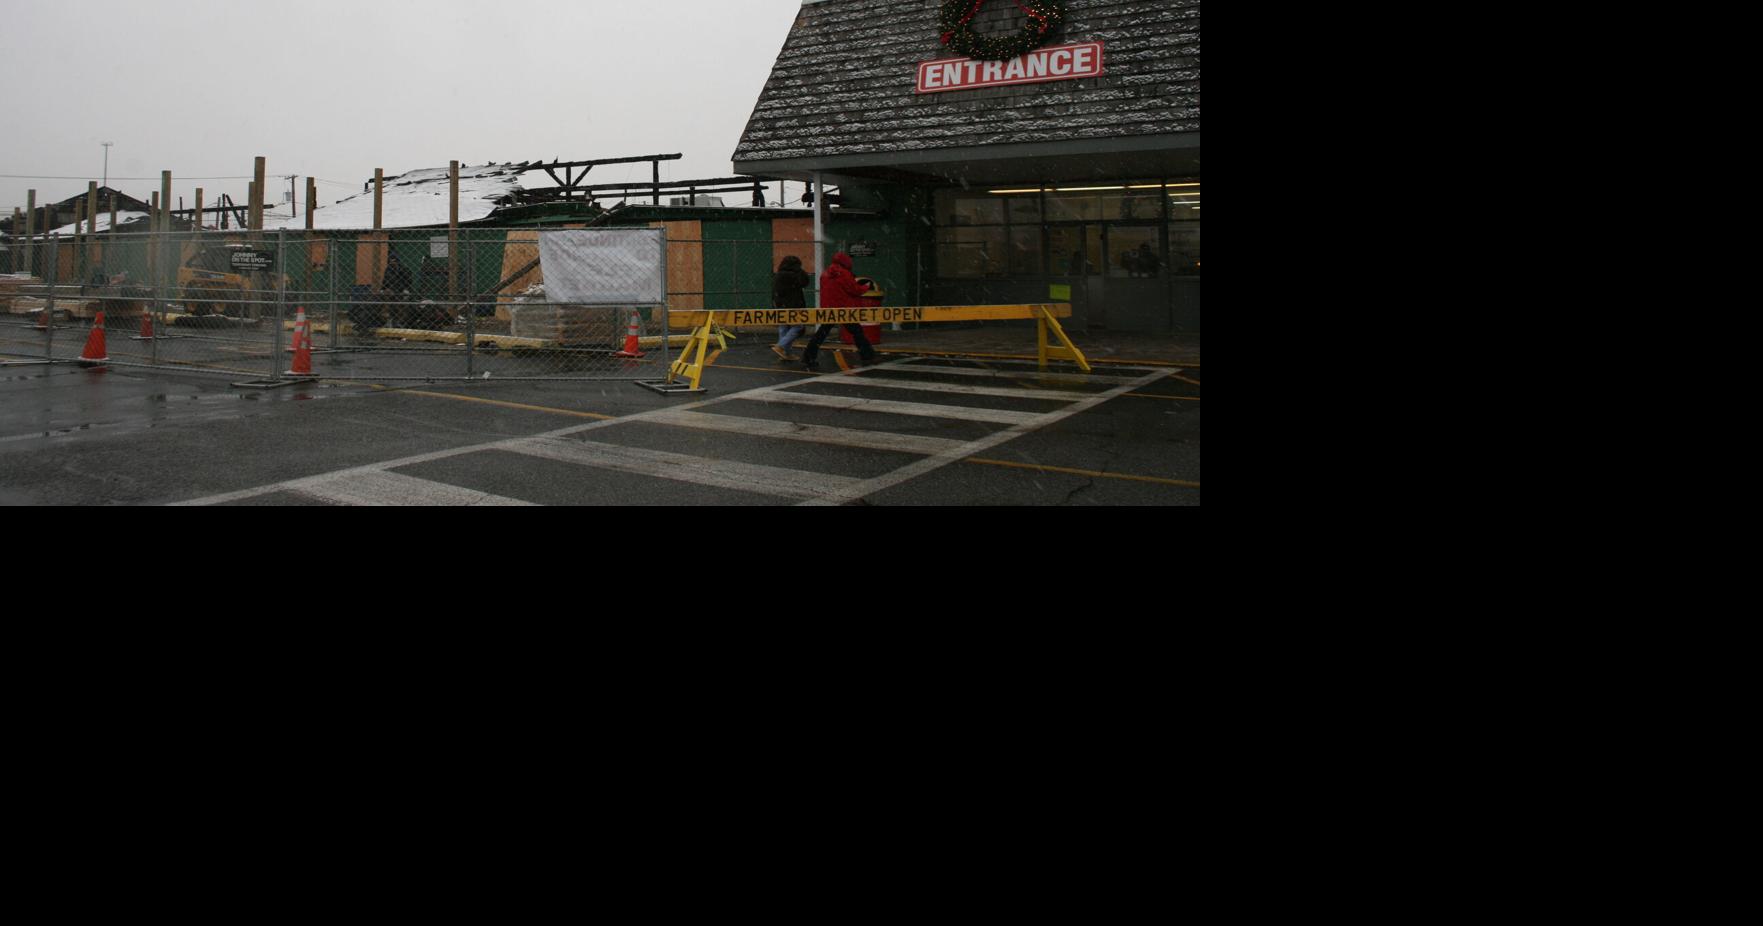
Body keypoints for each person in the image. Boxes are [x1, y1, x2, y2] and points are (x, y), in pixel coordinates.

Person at [800, 252, 877, 372]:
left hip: (829, 309)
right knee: (857, 332)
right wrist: (866, 287)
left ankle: (808, 356)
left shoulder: (825, 274)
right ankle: (867, 355)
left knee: (821, 334)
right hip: (843, 309)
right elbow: (855, 290)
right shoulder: (844, 274)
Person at [771, 255, 811, 361]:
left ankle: (786, 353)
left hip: (781, 305)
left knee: (784, 327)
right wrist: (800, 271)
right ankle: (781, 346)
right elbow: (805, 282)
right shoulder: (794, 275)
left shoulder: (779, 275)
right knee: (798, 326)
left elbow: (775, 292)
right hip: (794, 305)